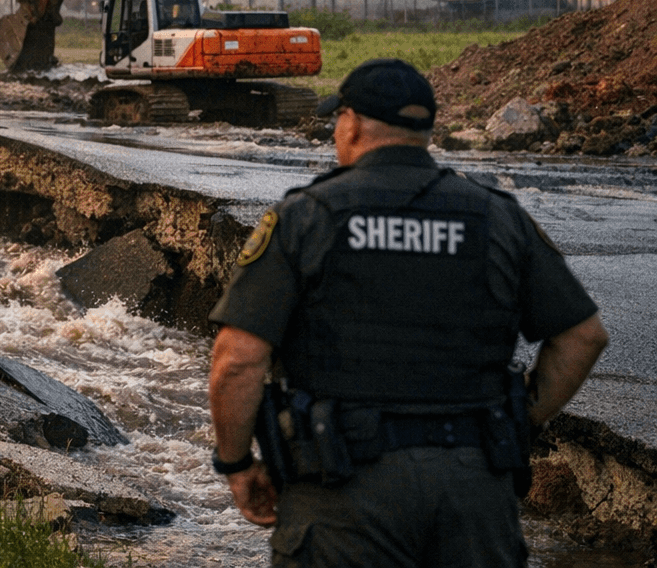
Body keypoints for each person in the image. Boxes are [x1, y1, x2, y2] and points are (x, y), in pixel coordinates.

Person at [207, 58, 608, 568]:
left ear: (352, 123)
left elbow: (238, 360)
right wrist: (517, 419)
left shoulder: (307, 216)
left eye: (338, 120)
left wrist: (237, 465)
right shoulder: (498, 216)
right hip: (474, 488)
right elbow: (582, 337)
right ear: (424, 130)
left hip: (343, 488)